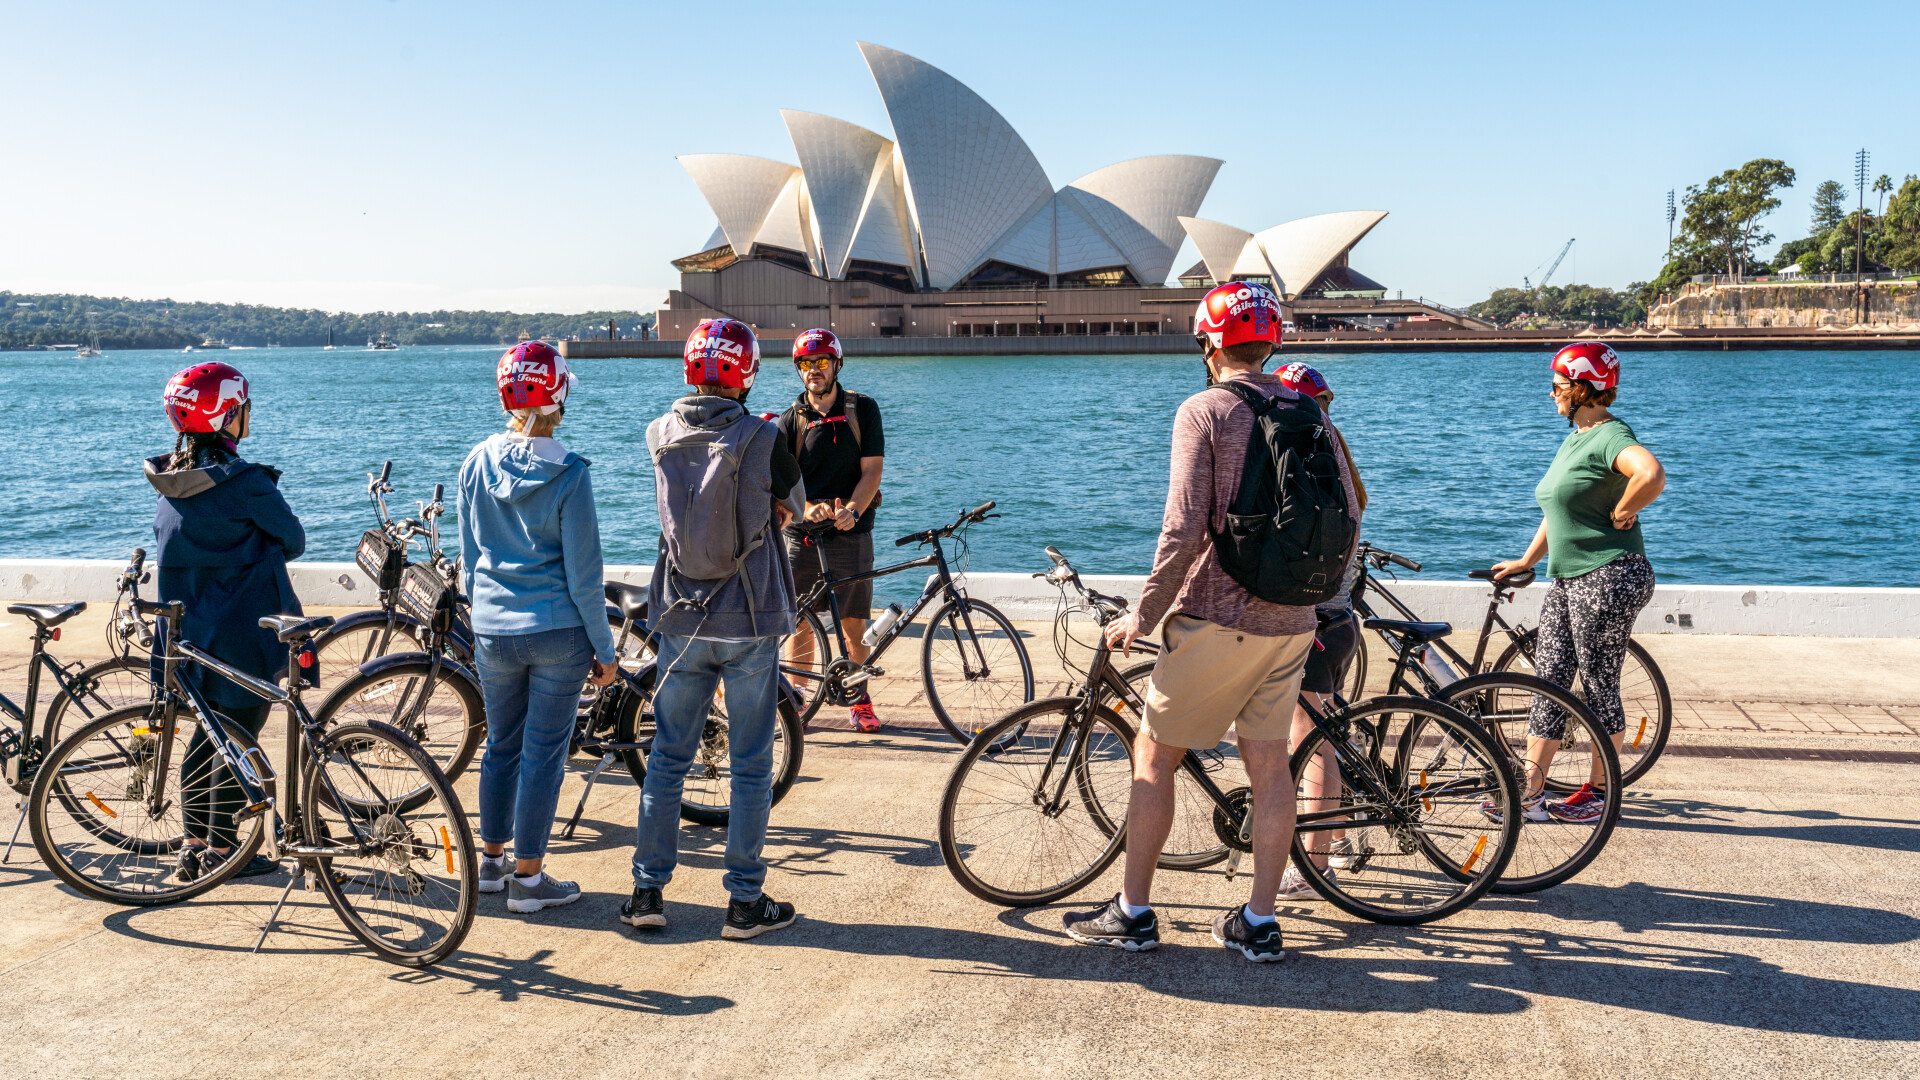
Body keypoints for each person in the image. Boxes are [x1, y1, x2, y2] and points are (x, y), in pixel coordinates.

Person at [1070, 282, 1357, 963]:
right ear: (1270, 341)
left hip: (1219, 619)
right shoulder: (1311, 409)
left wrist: (1144, 614)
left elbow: (1183, 526)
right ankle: (1260, 922)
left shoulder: (1205, 409)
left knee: (1154, 754)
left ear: (1208, 344)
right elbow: (1349, 511)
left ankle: (1134, 913)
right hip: (1294, 620)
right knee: (1269, 764)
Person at [626, 318, 806, 939]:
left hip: (680, 614)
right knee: (751, 763)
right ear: (748, 371)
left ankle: (647, 892)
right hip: (749, 616)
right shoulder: (764, 436)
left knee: (668, 758)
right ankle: (744, 902)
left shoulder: (658, 432)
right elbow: (796, 508)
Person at [458, 341, 617, 913]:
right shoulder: (571, 473)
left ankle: (494, 865)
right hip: (557, 633)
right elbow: (584, 576)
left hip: (493, 629)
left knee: (499, 746)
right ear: (559, 395)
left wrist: (482, 619)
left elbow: (470, 558)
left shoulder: (476, 461)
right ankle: (530, 882)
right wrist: (605, 648)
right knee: (543, 753)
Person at [1490, 341, 1665, 824]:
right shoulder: (1575, 439)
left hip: (1609, 574)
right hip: (1570, 578)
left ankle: (1600, 793)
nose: (1551, 394)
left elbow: (1650, 473)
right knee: (1549, 682)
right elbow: (1559, 509)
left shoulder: (1610, 434)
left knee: (1597, 683)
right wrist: (1527, 559)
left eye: (1557, 386)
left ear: (1581, 388)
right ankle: (1529, 791)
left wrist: (1627, 507)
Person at [147, 361, 305, 882]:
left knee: (207, 734)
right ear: (229, 415)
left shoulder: (170, 479)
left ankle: (195, 844)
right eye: (244, 409)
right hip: (242, 631)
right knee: (241, 734)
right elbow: (294, 539)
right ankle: (224, 852)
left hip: (188, 630)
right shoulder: (246, 483)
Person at [1272, 362, 1368, 901]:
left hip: (1313, 626)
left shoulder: (1305, 469)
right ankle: (1335, 834)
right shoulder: (1338, 462)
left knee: (1309, 746)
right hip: (1341, 621)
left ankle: (1315, 865)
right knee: (1325, 737)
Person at [777, 328, 886, 732]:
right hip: (802, 536)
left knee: (853, 622)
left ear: (836, 364)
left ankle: (858, 699)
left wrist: (853, 510)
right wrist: (808, 508)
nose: (814, 371)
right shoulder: (790, 422)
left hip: (852, 533)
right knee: (800, 622)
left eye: (821, 362)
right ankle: (795, 700)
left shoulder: (863, 409)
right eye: (806, 364)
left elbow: (872, 470)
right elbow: (783, 487)